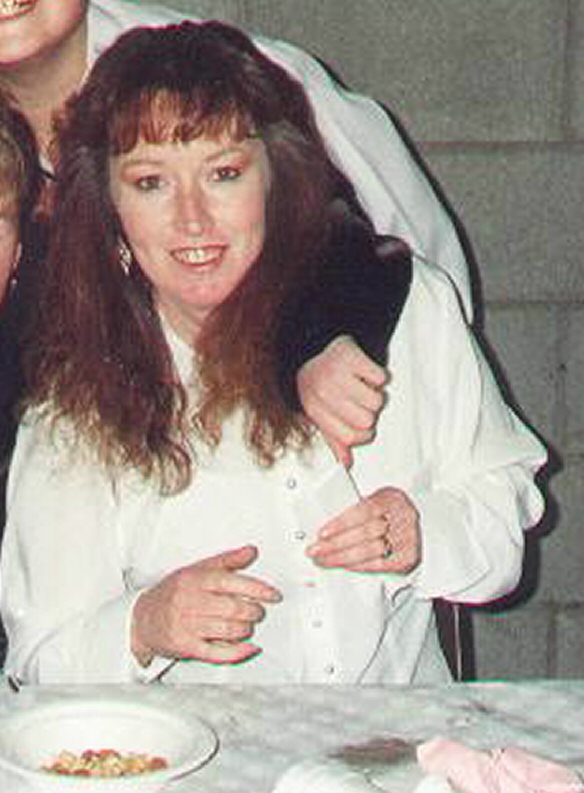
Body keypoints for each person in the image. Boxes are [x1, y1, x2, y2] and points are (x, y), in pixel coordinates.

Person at [0, 21, 546, 685]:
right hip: (188, 748)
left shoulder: (409, 313)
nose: (192, 218)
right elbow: (39, 661)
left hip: (399, 737)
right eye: (151, 183)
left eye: (224, 173)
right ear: (109, 208)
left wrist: (424, 530)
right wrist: (143, 625)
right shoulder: (77, 390)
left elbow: (503, 523)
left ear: (275, 180)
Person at [0, 0, 475, 466]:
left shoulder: (226, 78)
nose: (191, 216)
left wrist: (324, 341)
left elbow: (421, 286)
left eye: (223, 173)